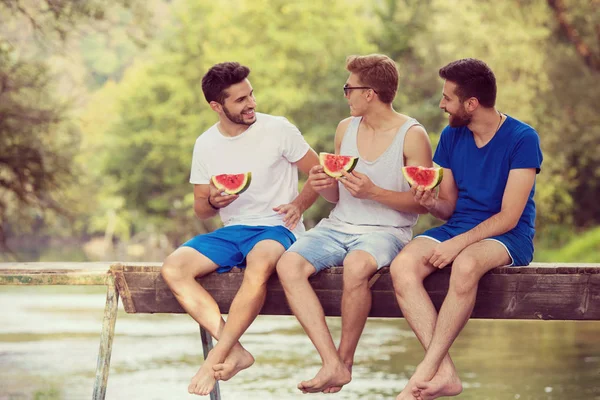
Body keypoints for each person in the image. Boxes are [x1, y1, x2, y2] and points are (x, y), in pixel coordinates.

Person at [275, 54, 433, 394]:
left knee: (357, 265)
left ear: (369, 93)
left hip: (387, 232)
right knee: (288, 264)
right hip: (337, 226)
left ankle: (345, 362)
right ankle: (330, 361)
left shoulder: (412, 135)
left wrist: (374, 192)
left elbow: (422, 203)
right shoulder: (345, 129)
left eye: (349, 89)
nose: (345, 95)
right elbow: (335, 197)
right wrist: (325, 184)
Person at [160, 62, 320, 396]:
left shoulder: (278, 129)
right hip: (232, 231)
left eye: (251, 95)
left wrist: (299, 205)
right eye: (240, 100)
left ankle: (215, 359)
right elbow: (201, 210)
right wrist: (215, 201)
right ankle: (235, 351)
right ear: (216, 106)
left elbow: (319, 172)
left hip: (277, 227)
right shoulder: (205, 144)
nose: (251, 104)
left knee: (260, 264)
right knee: (174, 268)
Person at [391, 58, 543, 400]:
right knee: (402, 266)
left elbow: (509, 217)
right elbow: (449, 207)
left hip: (507, 236)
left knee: (466, 264)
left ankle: (422, 372)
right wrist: (430, 203)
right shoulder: (451, 135)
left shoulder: (522, 139)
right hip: (459, 229)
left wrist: (456, 245)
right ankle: (445, 372)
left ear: (471, 104)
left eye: (448, 98)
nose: (442, 105)